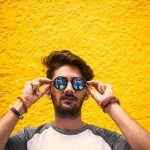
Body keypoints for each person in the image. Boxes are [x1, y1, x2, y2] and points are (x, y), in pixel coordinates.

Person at [0, 50, 150, 150]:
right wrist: (22, 103)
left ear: (86, 93)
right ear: (48, 91)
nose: (69, 89)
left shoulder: (108, 141)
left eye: (77, 83)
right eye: (60, 82)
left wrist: (110, 104)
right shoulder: (28, 140)